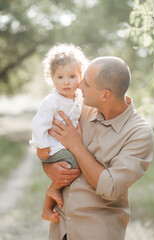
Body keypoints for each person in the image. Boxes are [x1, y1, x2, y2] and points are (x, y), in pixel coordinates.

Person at [39, 56, 154, 240]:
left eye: (86, 83)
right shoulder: (80, 109)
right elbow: (48, 143)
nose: (78, 86)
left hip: (97, 232)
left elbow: (109, 188)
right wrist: (49, 167)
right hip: (61, 228)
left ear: (105, 95)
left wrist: (76, 146)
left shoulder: (139, 134)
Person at [30, 43, 88, 223]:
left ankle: (53, 199)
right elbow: (39, 124)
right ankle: (53, 190)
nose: (66, 82)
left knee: (77, 162)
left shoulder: (78, 97)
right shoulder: (52, 101)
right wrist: (42, 146)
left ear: (80, 77)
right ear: (52, 78)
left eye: (72, 76)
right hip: (52, 147)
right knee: (74, 165)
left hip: (64, 144)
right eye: (60, 77)